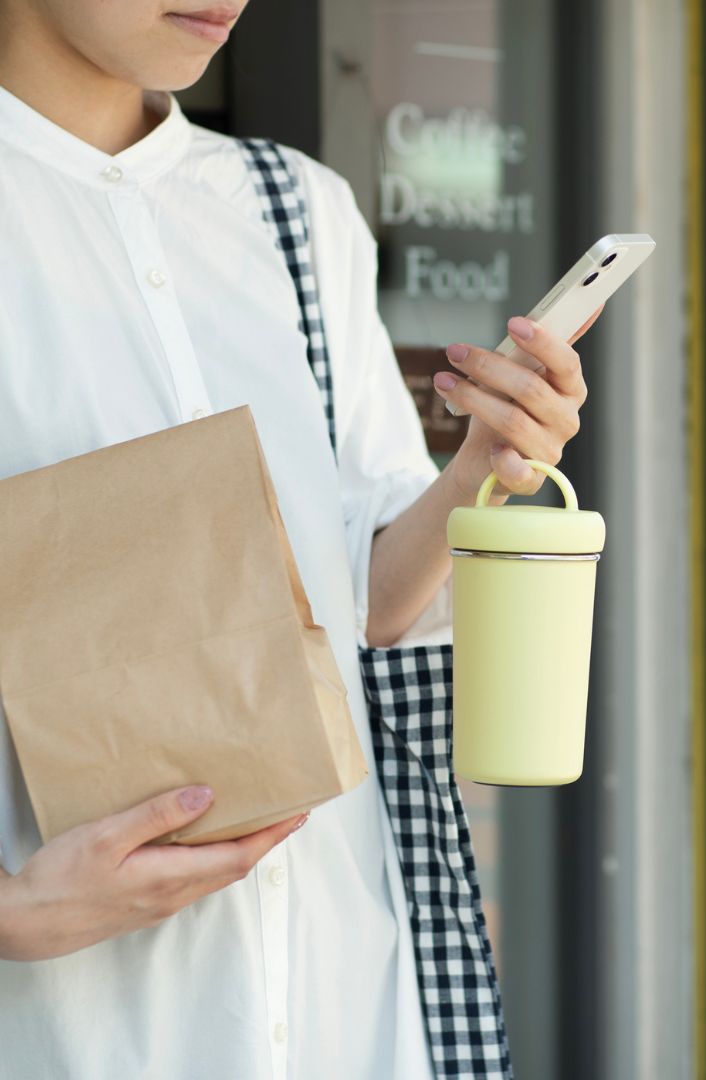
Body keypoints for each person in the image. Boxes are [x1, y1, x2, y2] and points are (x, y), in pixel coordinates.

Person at [0, 2, 594, 1077]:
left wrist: (478, 468)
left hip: (344, 1003)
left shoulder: (293, 211)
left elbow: (360, 594)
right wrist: (9, 916)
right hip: (78, 1027)